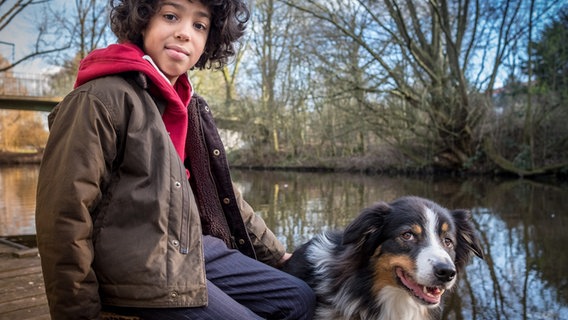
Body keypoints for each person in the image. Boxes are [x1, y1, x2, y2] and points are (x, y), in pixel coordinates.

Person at [35, 0, 316, 319]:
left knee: (301, 298)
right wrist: (79, 312)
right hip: (138, 266)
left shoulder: (190, 107)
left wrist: (278, 255)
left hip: (192, 248)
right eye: (171, 16)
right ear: (142, 21)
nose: (185, 33)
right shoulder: (99, 100)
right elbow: (63, 216)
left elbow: (226, 196)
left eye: (200, 25)